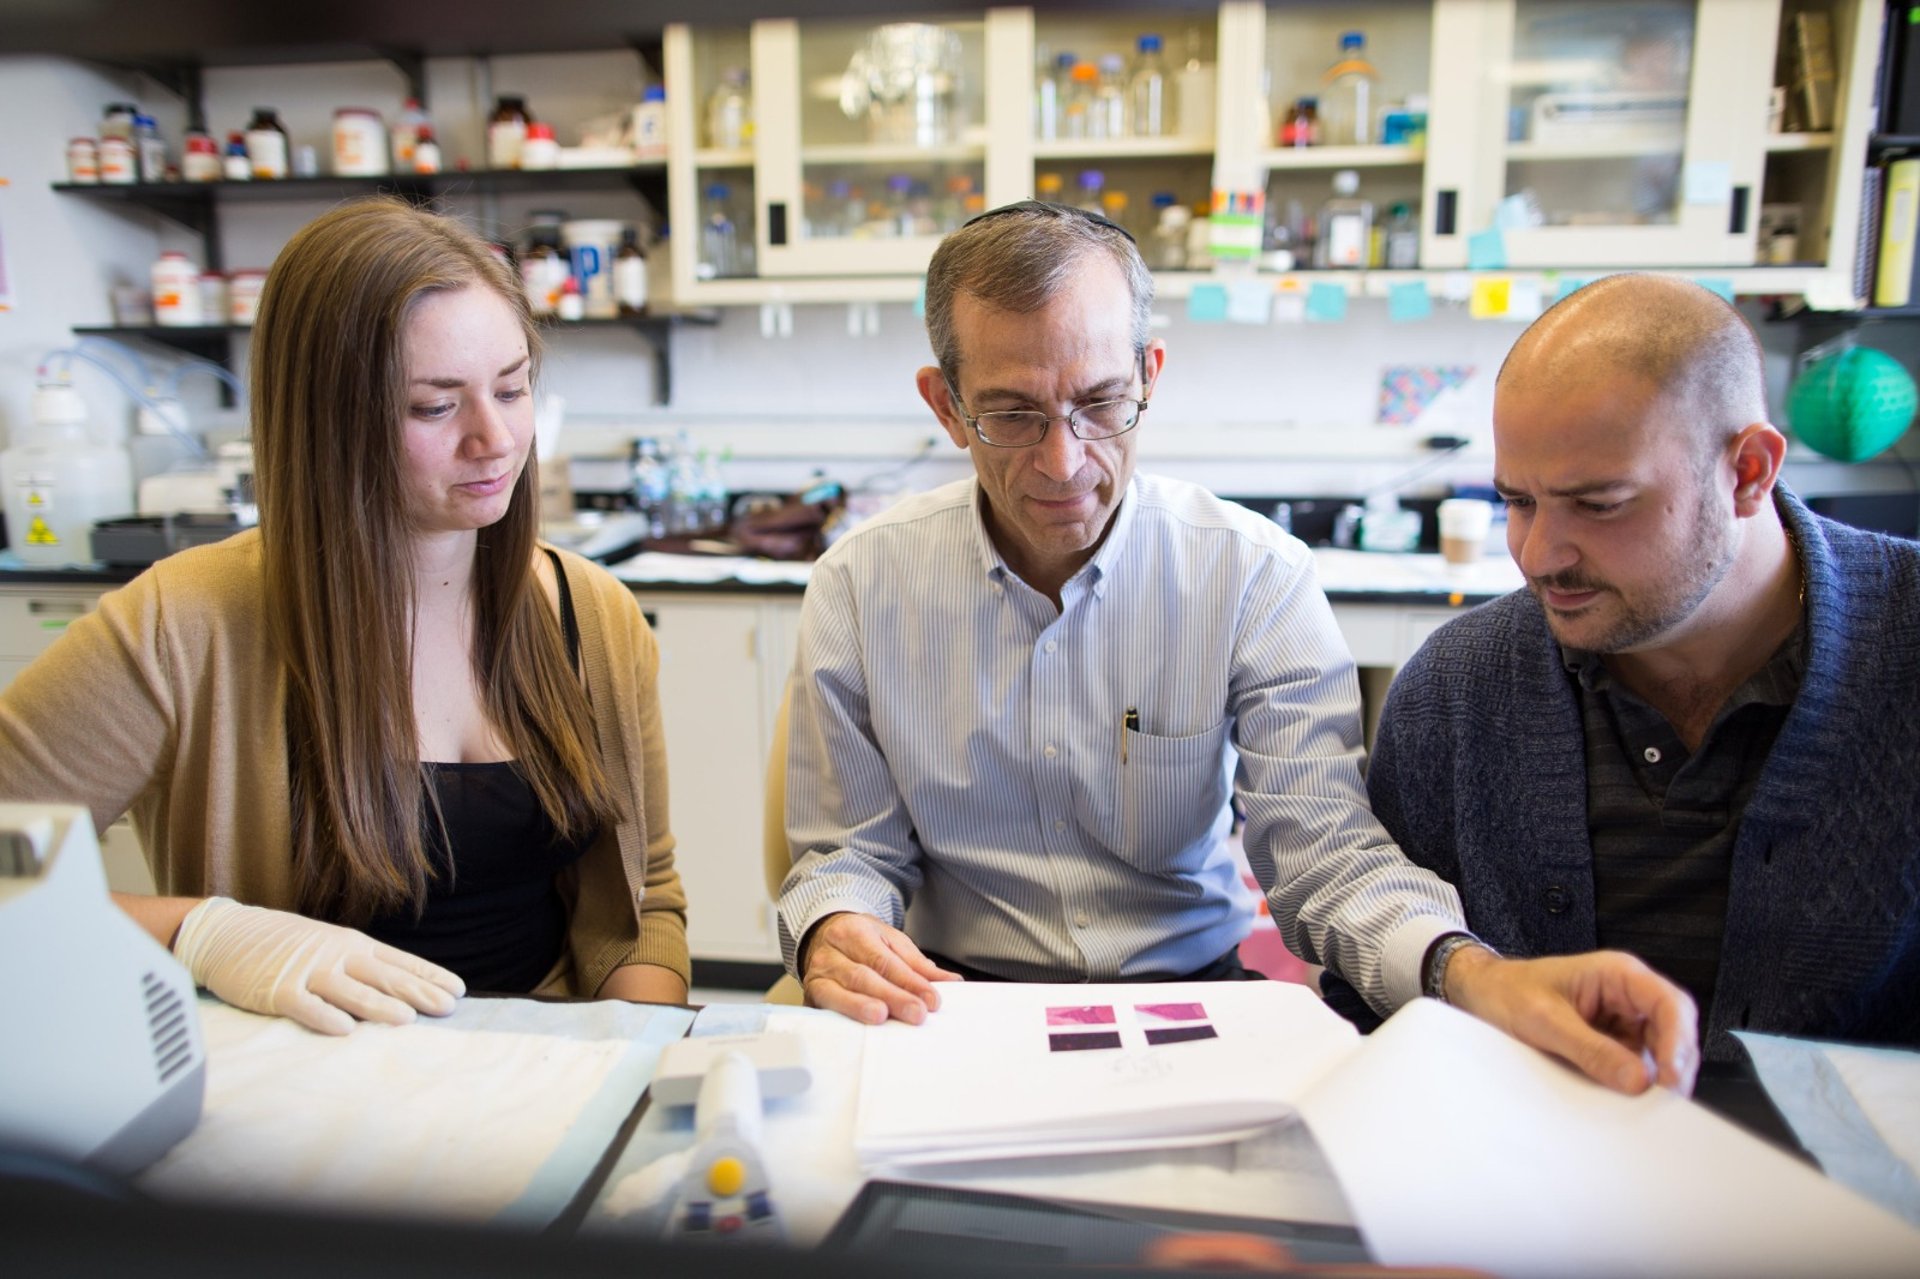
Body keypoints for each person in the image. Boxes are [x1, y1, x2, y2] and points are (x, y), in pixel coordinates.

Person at [776, 201, 1698, 1096]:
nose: (1064, 461)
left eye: (1102, 403)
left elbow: (1325, 850)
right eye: (1012, 415)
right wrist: (835, 926)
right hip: (951, 1001)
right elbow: (846, 853)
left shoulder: (1251, 574)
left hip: (1188, 994)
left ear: (1150, 375)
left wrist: (1473, 974)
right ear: (945, 405)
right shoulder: (861, 583)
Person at [0, 199, 687, 1033]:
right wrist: (198, 933)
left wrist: (638, 1054)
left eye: (512, 389)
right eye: (434, 407)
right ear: (328, 419)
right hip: (301, 1080)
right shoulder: (181, 626)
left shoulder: (593, 614)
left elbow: (645, 895)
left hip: (542, 1068)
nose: (497, 438)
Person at [1360, 273, 1920, 1062]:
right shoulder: (1456, 691)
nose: (1538, 555)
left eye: (1599, 504)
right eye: (1518, 501)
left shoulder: (1900, 642)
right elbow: (1377, 1007)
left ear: (1749, 471)